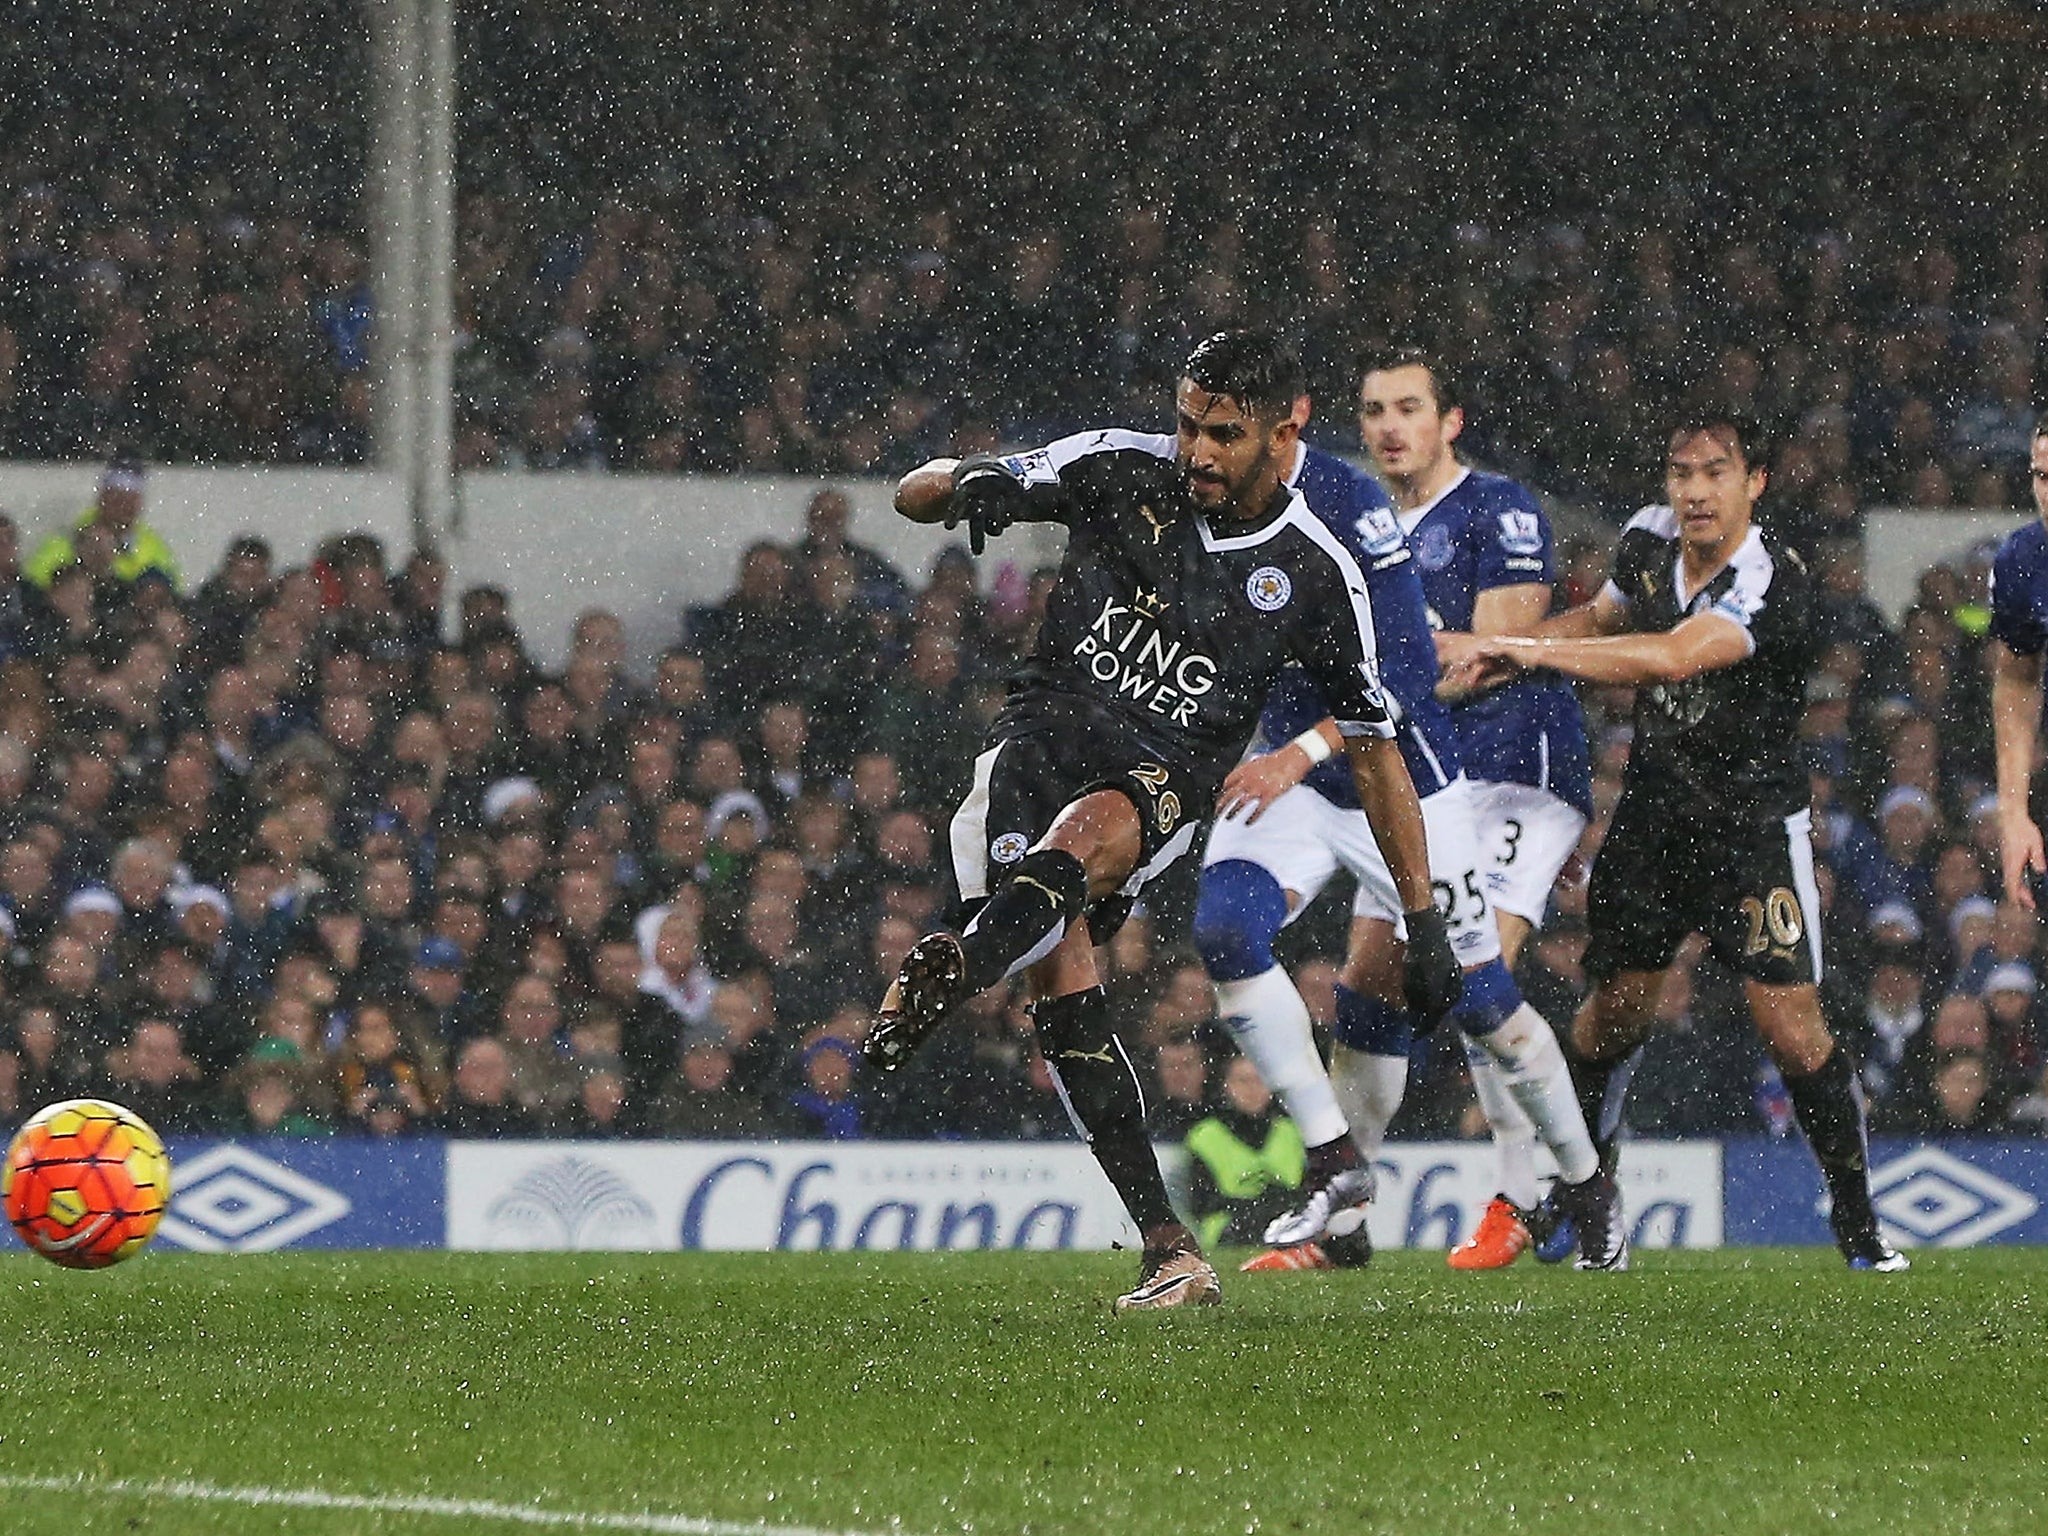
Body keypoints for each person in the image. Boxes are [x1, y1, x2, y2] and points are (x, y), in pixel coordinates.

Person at [861, 331, 1461, 1311]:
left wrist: (1421, 913)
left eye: (1222, 434)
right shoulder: (1115, 466)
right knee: (1062, 982)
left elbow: (1375, 746)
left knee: (1091, 837)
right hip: (1038, 740)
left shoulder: (1314, 572)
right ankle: (1168, 1247)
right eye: (1186, 424)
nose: (1195, 452)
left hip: (1160, 778)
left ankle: (958, 964)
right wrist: (961, 482)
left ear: (1286, 430)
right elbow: (915, 490)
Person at [1444, 410, 1907, 1271]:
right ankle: (1591, 1200)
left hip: (1752, 832)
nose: (1694, 491)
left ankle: (1857, 1216)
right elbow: (1602, 622)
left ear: (1754, 482)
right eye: (1681, 472)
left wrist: (1515, 649)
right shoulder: (1648, 540)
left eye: (1715, 473)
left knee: (1793, 1031)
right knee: (1611, 1017)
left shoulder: (1773, 580)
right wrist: (1514, 648)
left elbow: (1672, 657)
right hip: (1656, 823)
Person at [1190, 373, 1615, 1275]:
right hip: (1330, 776)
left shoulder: (1464, 511)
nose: (1389, 428)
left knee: (1479, 996)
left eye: (1409, 408)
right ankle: (1341, 1201)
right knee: (1337, 978)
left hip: (1462, 778)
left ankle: (1563, 1192)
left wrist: (1313, 735)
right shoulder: (1238, 502)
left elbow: (1462, 663)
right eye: (1375, 410)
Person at [1989, 414, 2048, 909]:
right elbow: (2016, 680)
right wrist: (2013, 811)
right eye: (2042, 476)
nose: (2047, 493)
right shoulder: (2022, 560)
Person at [25, 446, 181, 590]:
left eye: (131, 499)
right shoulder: (62, 544)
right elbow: (33, 592)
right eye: (117, 498)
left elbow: (173, 601)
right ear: (102, 499)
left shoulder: (156, 550)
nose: (124, 507)